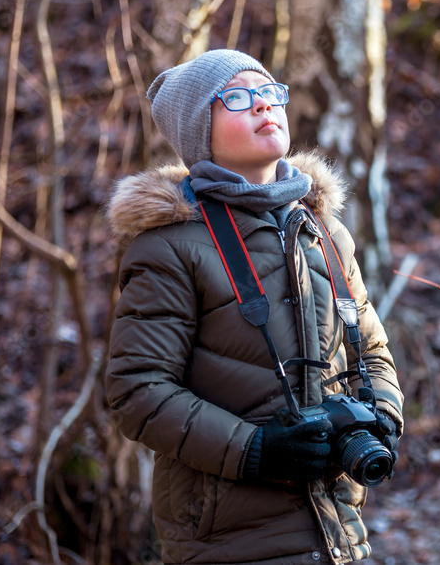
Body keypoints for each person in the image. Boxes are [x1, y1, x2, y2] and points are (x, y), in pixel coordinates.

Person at [105, 49, 403, 564]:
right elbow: (137, 391)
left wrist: (382, 418)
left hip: (336, 529)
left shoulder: (323, 231)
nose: (265, 106)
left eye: (270, 93)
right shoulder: (169, 247)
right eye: (239, 98)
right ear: (201, 130)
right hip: (226, 539)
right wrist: (255, 450)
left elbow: (371, 349)